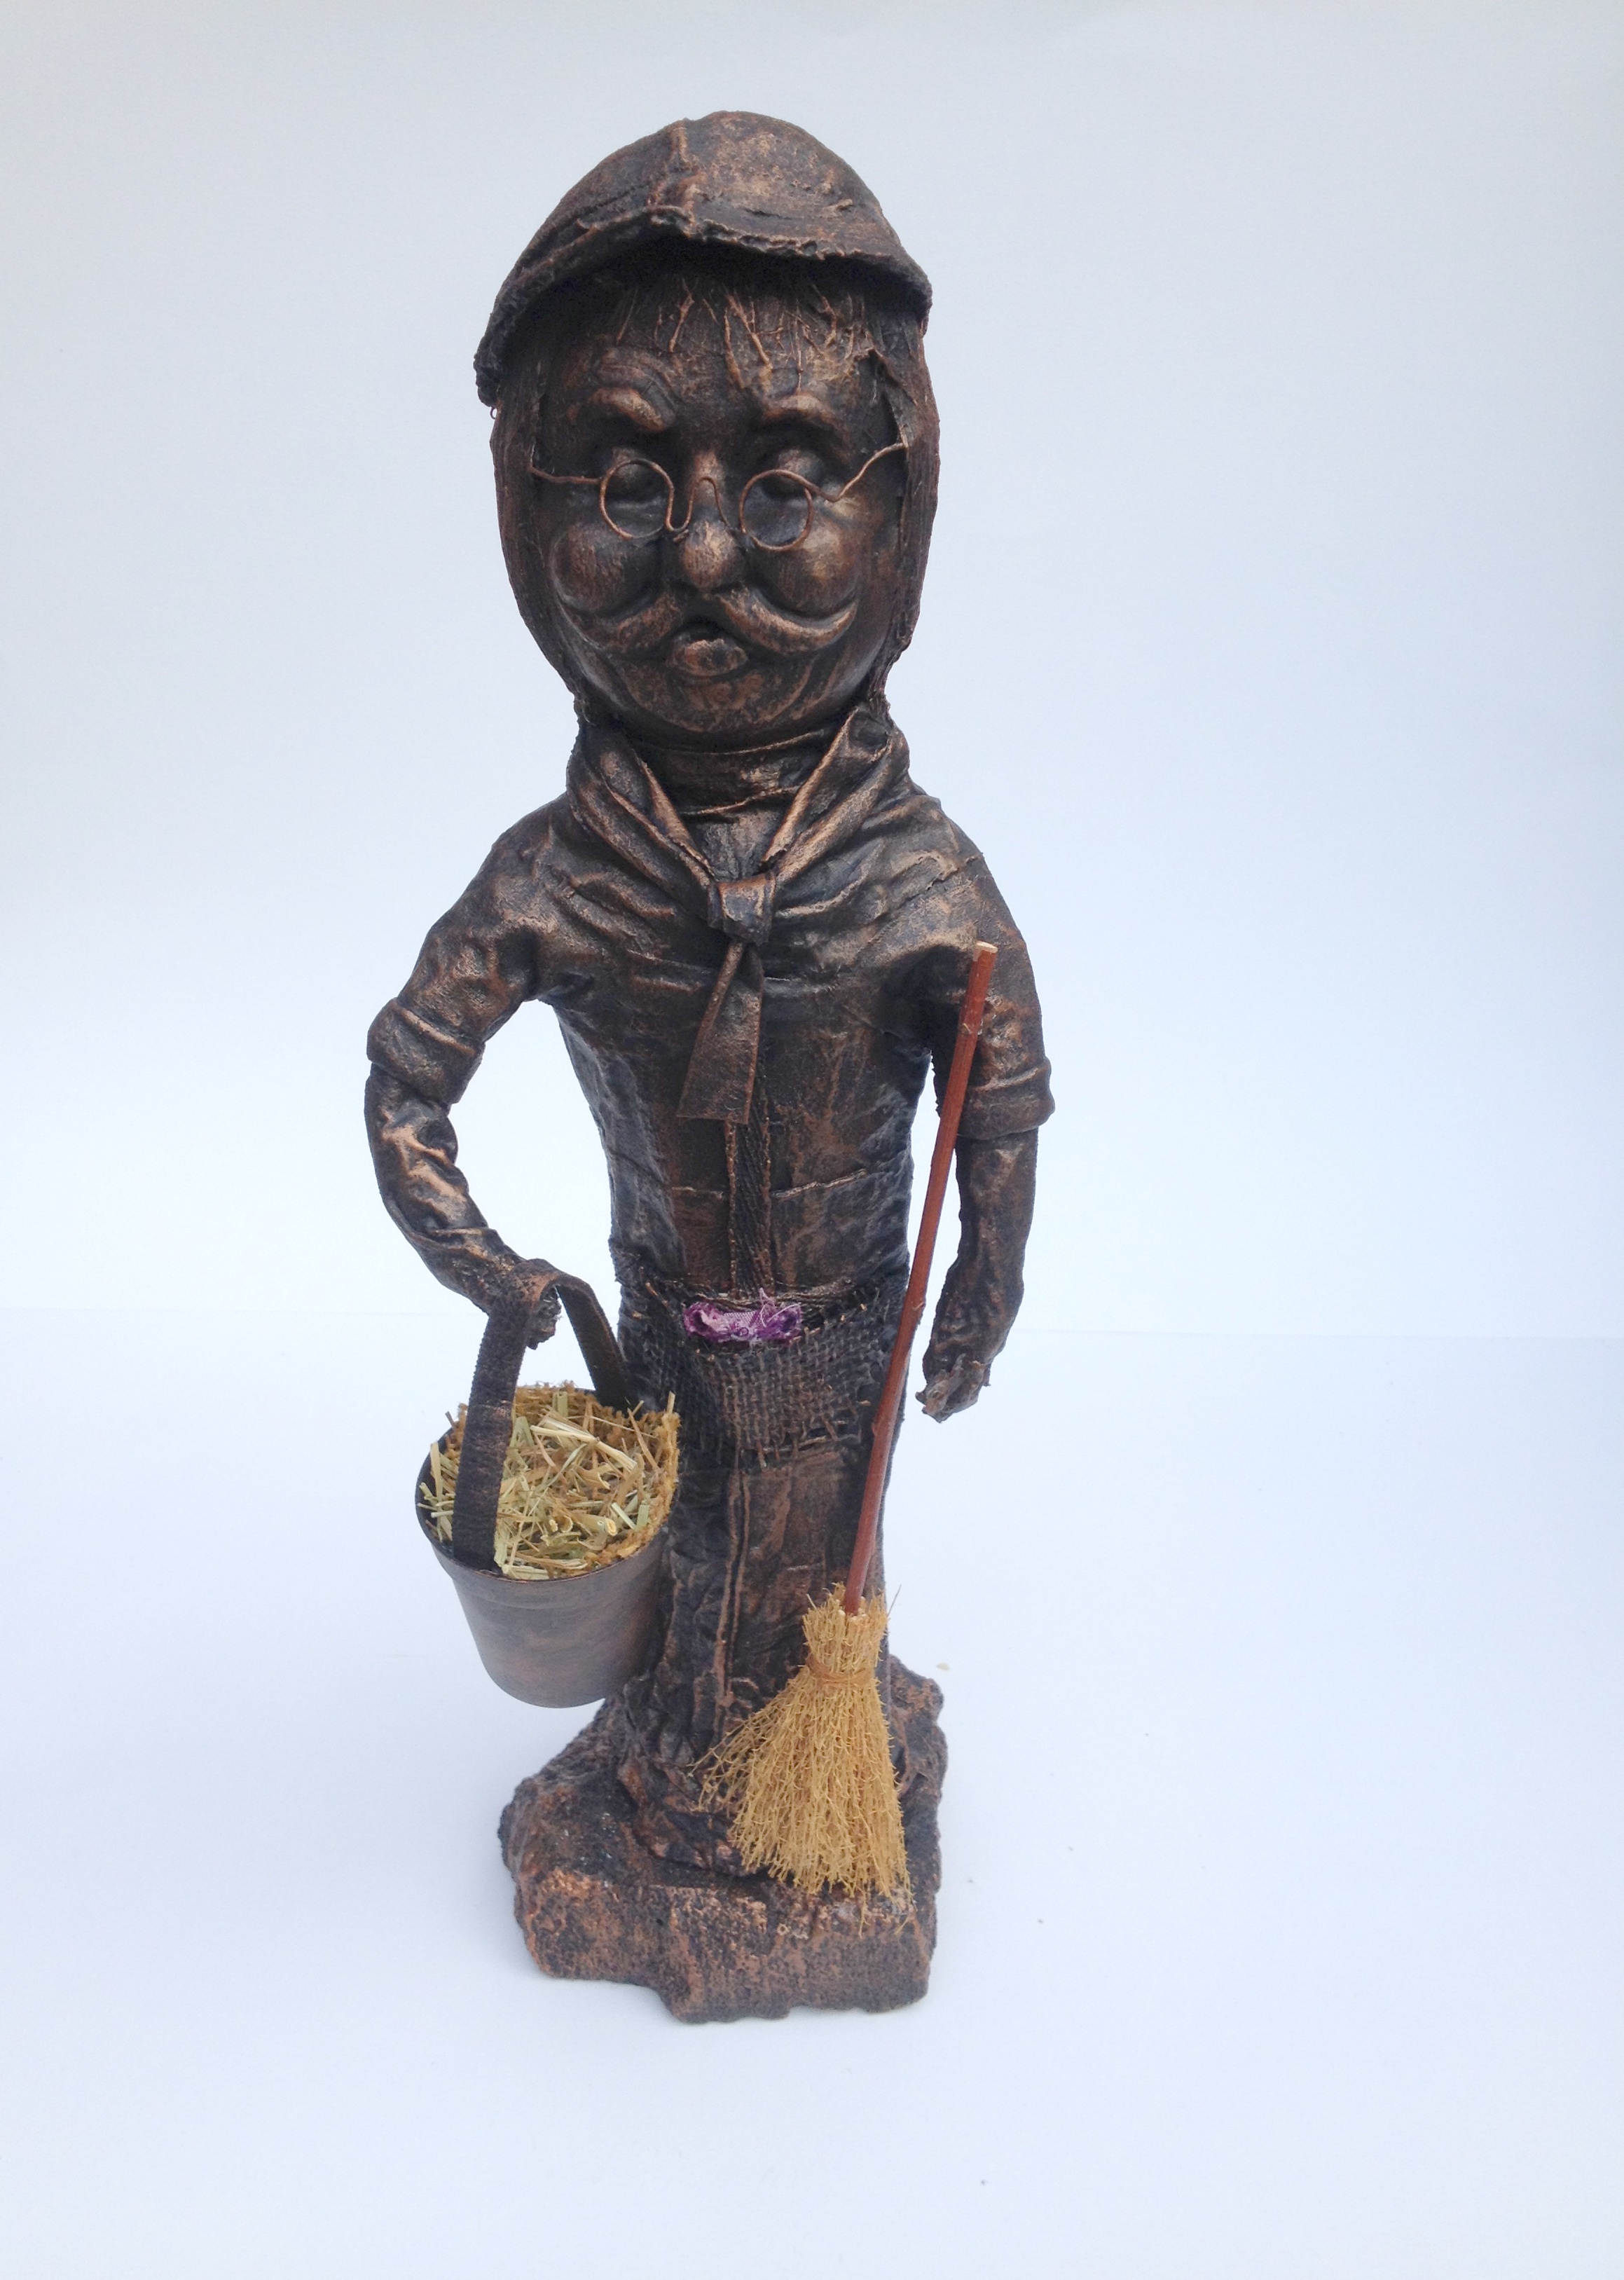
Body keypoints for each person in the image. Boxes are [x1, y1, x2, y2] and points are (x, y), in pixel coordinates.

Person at [366, 113, 1052, 1876]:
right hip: (659, 1338)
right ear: (525, 506)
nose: (700, 561)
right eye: (621, 485)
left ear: (901, 504)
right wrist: (493, 1269)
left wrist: (985, 1274)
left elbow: (999, 1098)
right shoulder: (558, 878)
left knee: (825, 1590)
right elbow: (407, 1084)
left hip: (844, 1346)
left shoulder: (920, 882)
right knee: (685, 1609)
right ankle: (690, 1781)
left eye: (786, 485)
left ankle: (822, 1787)